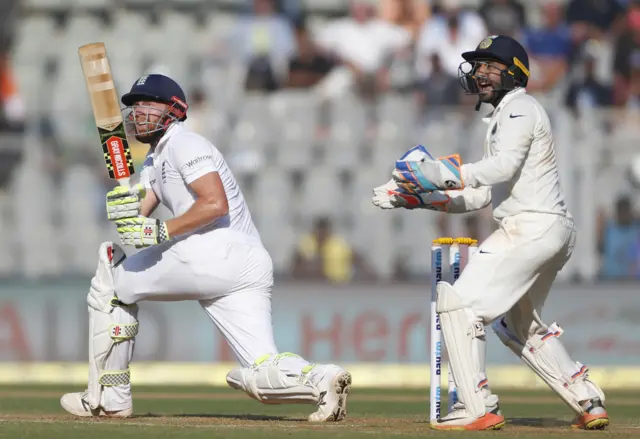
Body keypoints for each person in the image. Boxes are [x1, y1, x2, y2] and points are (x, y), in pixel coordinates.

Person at [59, 74, 351, 422]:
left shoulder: (185, 144)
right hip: (247, 263)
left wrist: (161, 229)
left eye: (147, 104)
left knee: (111, 283)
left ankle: (109, 397)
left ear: (174, 109)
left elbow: (215, 204)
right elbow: (137, 226)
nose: (137, 113)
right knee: (261, 370)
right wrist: (125, 207)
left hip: (213, 249)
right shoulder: (155, 162)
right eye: (134, 107)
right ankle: (324, 379)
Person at [372, 36, 608, 431]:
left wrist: (435, 172)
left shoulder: (521, 108)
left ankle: (476, 404)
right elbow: (481, 194)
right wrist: (419, 198)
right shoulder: (505, 115)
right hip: (548, 230)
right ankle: (586, 398)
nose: (480, 72)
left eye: (490, 65)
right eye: (477, 65)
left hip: (531, 227)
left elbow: (500, 167)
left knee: (458, 304)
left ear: (514, 71)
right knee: (518, 326)